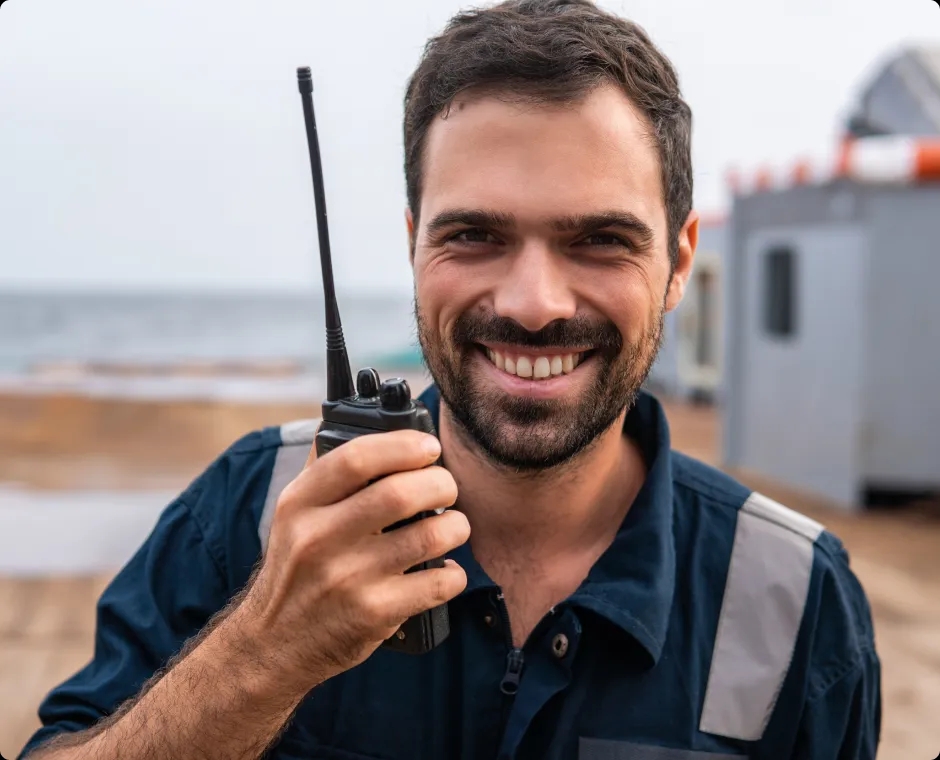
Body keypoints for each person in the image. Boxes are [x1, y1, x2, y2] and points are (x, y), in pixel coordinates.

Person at [20, 1, 880, 758]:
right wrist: (261, 657)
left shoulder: (793, 598)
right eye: (474, 235)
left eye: (599, 240)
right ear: (413, 245)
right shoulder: (251, 511)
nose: (535, 303)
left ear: (680, 260)